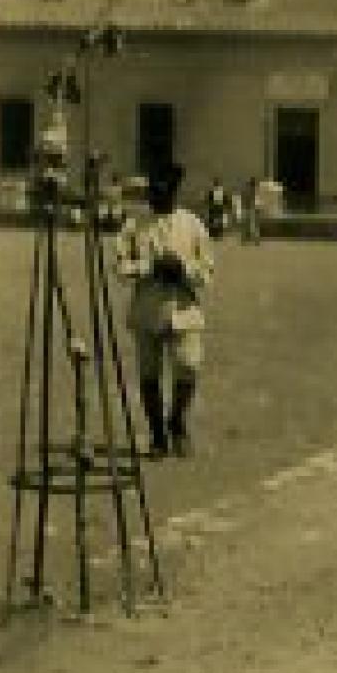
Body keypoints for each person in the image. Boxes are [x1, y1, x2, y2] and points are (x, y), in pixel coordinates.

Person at [115, 162, 215, 458]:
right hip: (148, 307)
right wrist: (150, 268)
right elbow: (120, 268)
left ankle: (177, 422)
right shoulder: (134, 226)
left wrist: (182, 268)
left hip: (184, 309)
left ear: (175, 190)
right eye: (153, 189)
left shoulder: (193, 225)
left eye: (164, 189)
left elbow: (208, 273)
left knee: (188, 365)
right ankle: (157, 433)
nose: (157, 194)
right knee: (149, 373)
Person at [240, 175, 263, 244]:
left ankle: (253, 239)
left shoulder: (255, 191)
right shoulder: (249, 191)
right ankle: (247, 238)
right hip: (249, 209)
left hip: (252, 209)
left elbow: (257, 200)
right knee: (248, 225)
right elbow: (244, 199)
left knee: (252, 225)